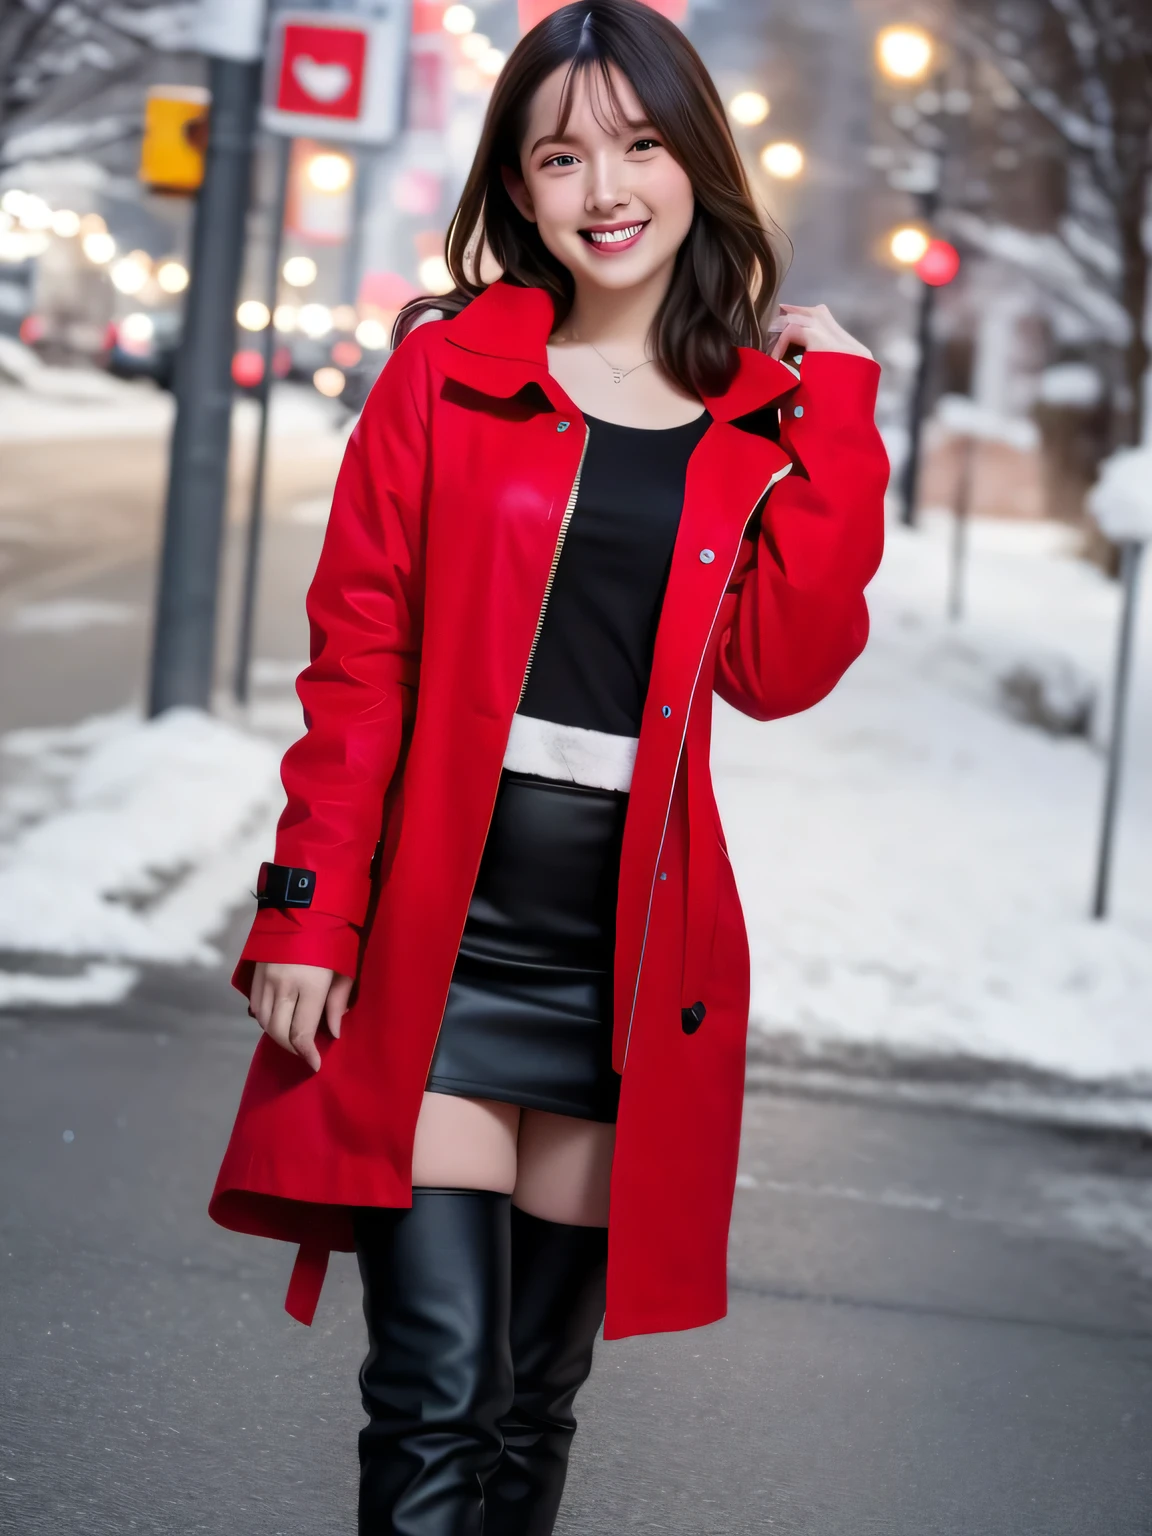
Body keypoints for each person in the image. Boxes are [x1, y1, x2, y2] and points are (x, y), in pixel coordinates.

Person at [210, 1, 888, 1530]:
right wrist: (311, 910)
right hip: (441, 940)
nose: (607, 188)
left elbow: (780, 670)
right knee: (437, 1404)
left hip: (621, 960)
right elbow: (359, 662)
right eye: (563, 154)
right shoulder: (443, 381)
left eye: (641, 146)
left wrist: (837, 418)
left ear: (697, 164)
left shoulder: (752, 422)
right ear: (518, 189)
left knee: (529, 1411)